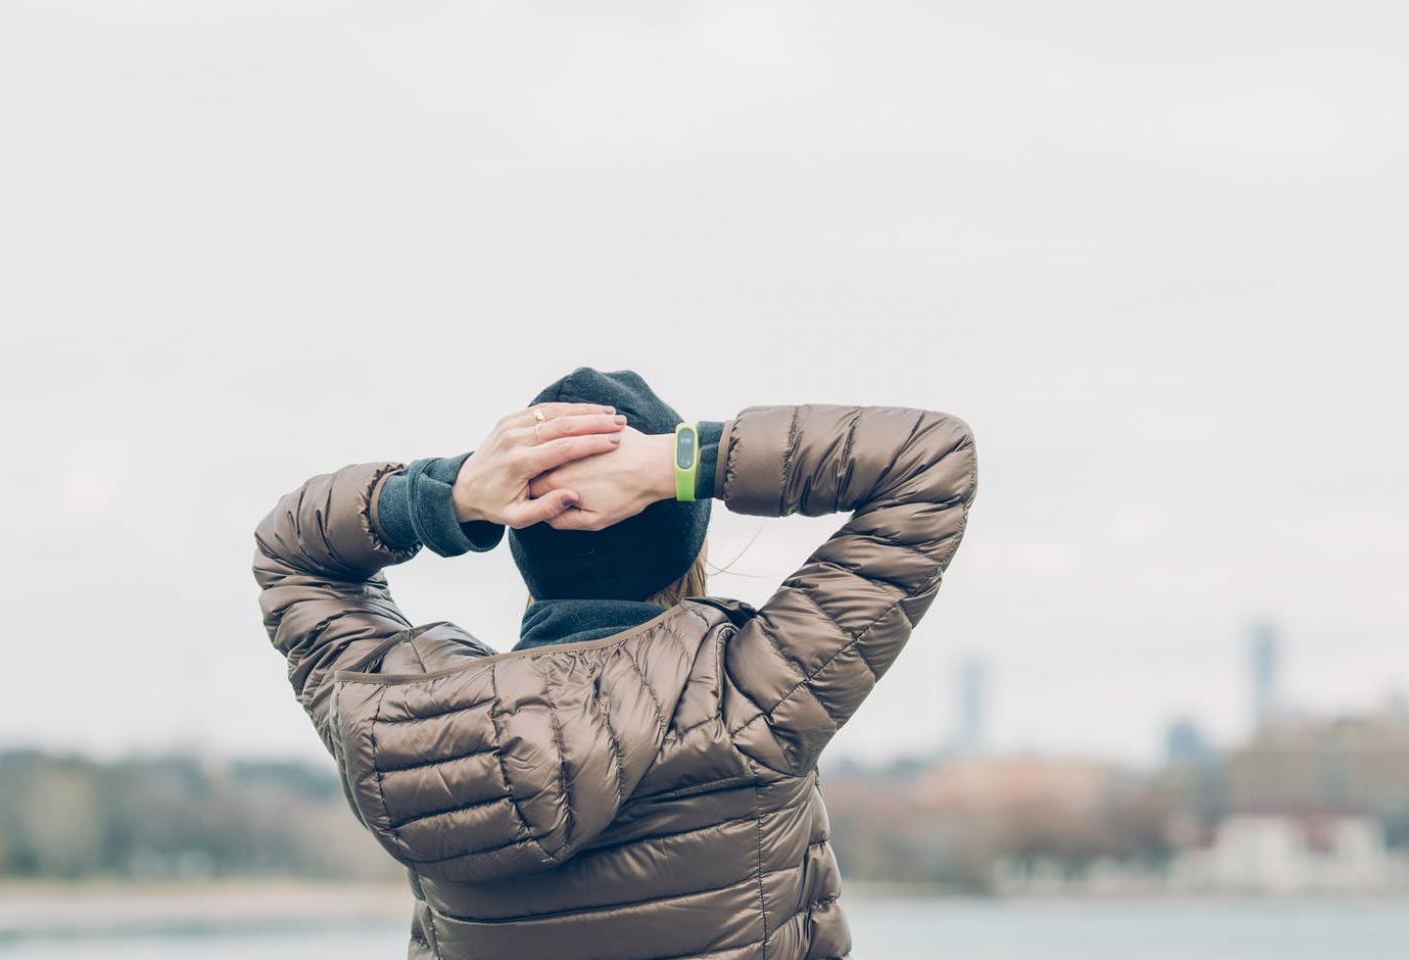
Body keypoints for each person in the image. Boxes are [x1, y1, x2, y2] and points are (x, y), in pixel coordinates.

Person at [253, 368, 976, 960]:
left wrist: (454, 494)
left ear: (521, 540)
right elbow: (927, 459)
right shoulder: (752, 696)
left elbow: (292, 554)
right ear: (687, 544)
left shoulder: (403, 722)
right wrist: (678, 462)